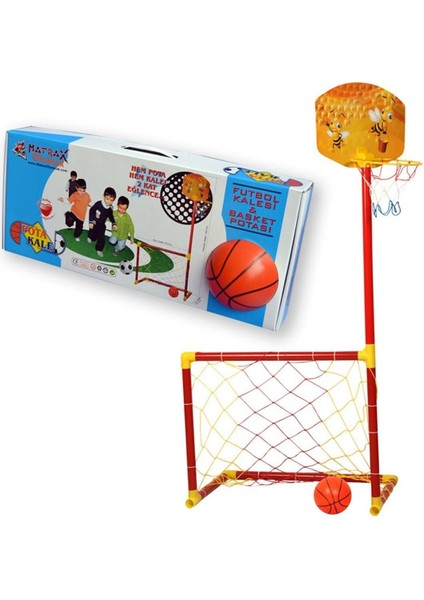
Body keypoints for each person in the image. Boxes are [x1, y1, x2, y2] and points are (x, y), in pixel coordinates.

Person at [87, 187, 117, 257]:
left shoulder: (110, 209)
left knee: (101, 238)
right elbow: (91, 210)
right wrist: (91, 221)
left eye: (111, 200)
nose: (108, 201)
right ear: (103, 196)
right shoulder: (98, 204)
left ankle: (99, 249)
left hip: (102, 225)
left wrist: (114, 223)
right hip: (94, 222)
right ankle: (90, 237)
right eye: (107, 199)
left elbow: (111, 216)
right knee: (93, 235)